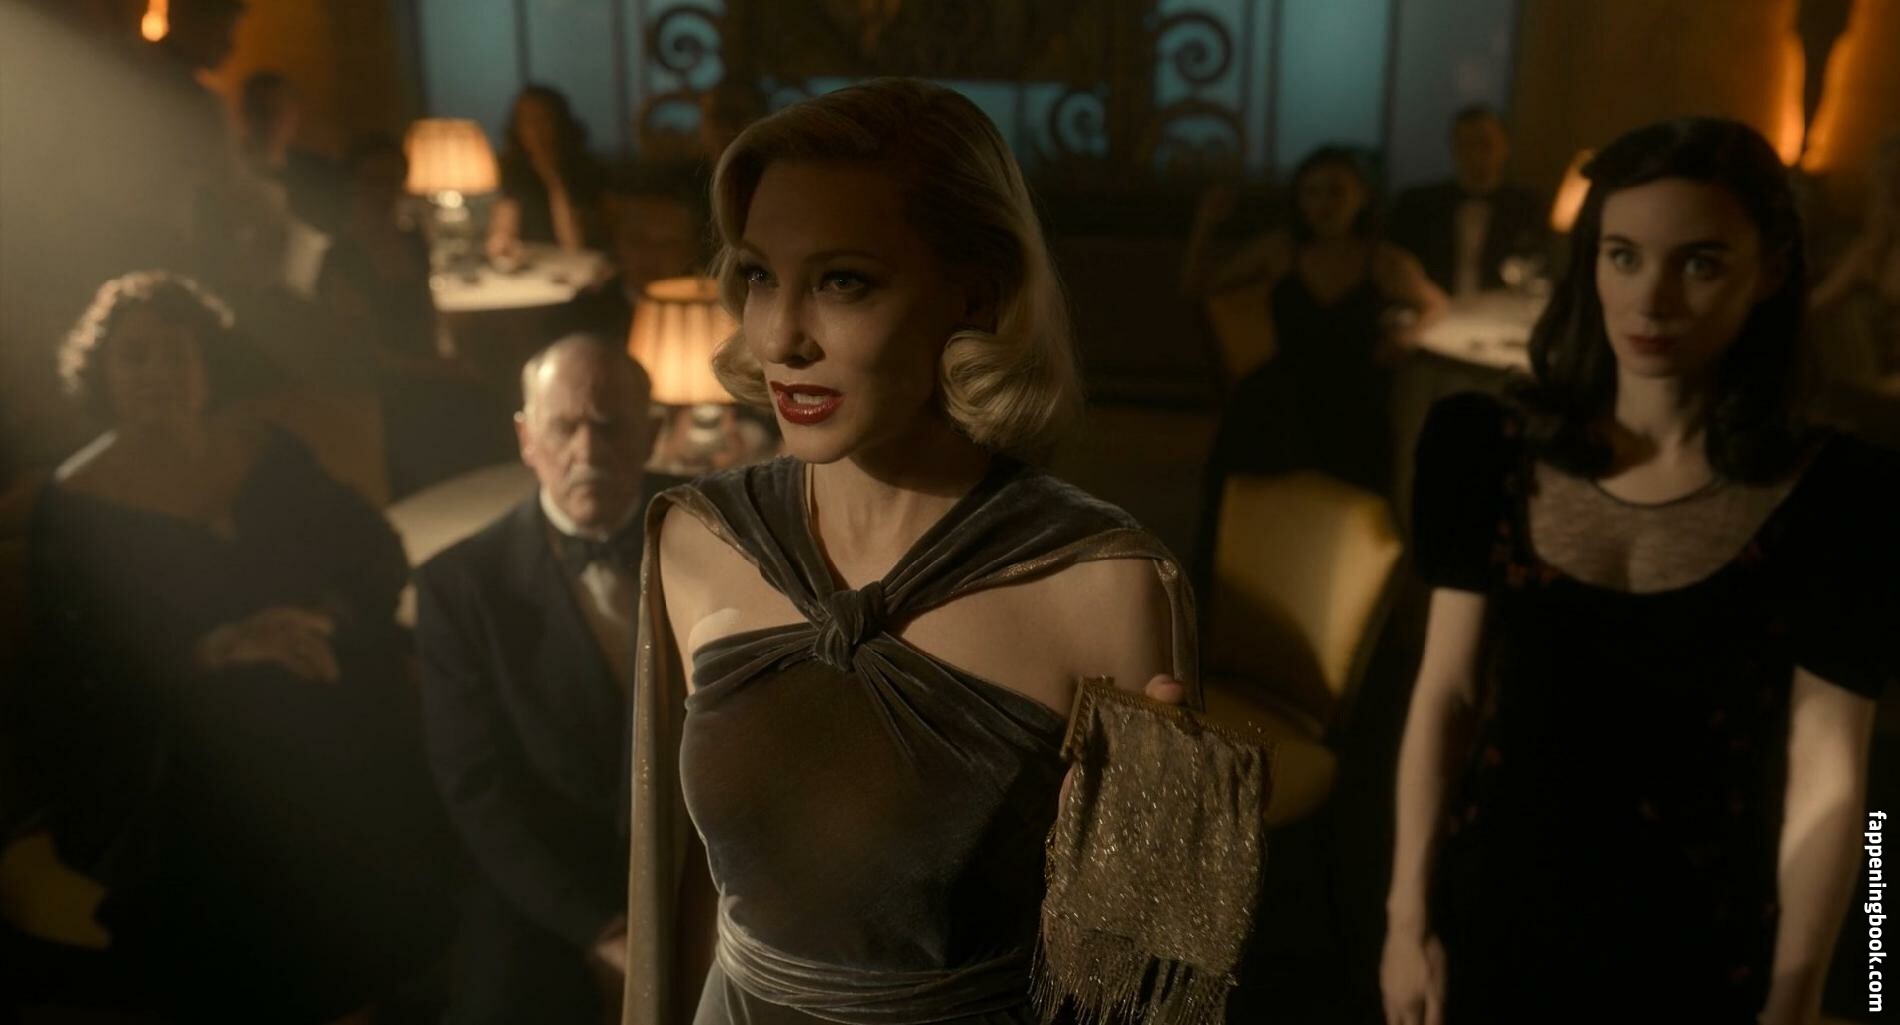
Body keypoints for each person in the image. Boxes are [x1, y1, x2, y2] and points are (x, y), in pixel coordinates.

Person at [618, 78, 1202, 1024]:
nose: (780, 336)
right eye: (760, 274)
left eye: (843, 280)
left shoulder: (1104, 588)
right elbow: (683, 898)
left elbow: (1139, 988)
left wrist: (1183, 853)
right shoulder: (696, 540)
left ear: (977, 292)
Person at [1380, 118, 1896, 1024]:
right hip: (1496, 914)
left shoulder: (1840, 493)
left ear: (1770, 271)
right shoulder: (1484, 446)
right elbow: (1447, 695)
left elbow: (1830, 774)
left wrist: (1799, 990)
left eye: (1699, 263)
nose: (1650, 299)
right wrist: (1406, 916)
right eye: (1623, 256)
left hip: (1703, 940)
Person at [16, 271, 454, 1021]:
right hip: (159, 734)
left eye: (176, 353)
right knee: (260, 760)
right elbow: (73, 669)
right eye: (135, 356)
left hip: (315, 677)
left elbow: (374, 551)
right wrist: (213, 649)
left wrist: (319, 617)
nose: (157, 372)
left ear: (206, 363)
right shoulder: (74, 501)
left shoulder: (265, 447)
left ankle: (394, 977)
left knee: (374, 724)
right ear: (102, 373)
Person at [416, 334, 679, 1025]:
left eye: (610, 425)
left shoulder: (715, 528)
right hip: (547, 881)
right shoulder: (459, 586)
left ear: (652, 434)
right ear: (526, 439)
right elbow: (476, 789)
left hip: (701, 859)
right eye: (564, 427)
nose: (587, 451)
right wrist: (598, 927)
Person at [1186, 147, 1446, 591]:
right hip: (1282, 394)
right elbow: (1196, 285)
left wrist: (1407, 336)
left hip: (1354, 398)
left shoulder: (1382, 260)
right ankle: (1241, 594)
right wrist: (1205, 223)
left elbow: (1438, 305)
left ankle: (1345, 600)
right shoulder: (1280, 250)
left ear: (1362, 197)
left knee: (1358, 512)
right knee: (1248, 499)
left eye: (1336, 192)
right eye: (1311, 192)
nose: (1323, 204)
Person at [1386, 106, 1548, 297]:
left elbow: (1540, 265)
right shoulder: (1417, 204)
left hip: (1503, 308)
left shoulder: (1527, 206)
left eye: (1486, 144)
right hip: (1432, 305)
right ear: (1453, 148)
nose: (1476, 154)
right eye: (1466, 145)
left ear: (1506, 146)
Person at [487, 85, 609, 261]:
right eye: (527, 122)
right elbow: (504, 228)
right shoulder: (515, 171)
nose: (535, 130)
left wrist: (553, 179)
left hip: (582, 264)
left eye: (543, 120)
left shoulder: (585, 170)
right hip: (537, 264)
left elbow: (574, 244)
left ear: (559, 123)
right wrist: (502, 243)